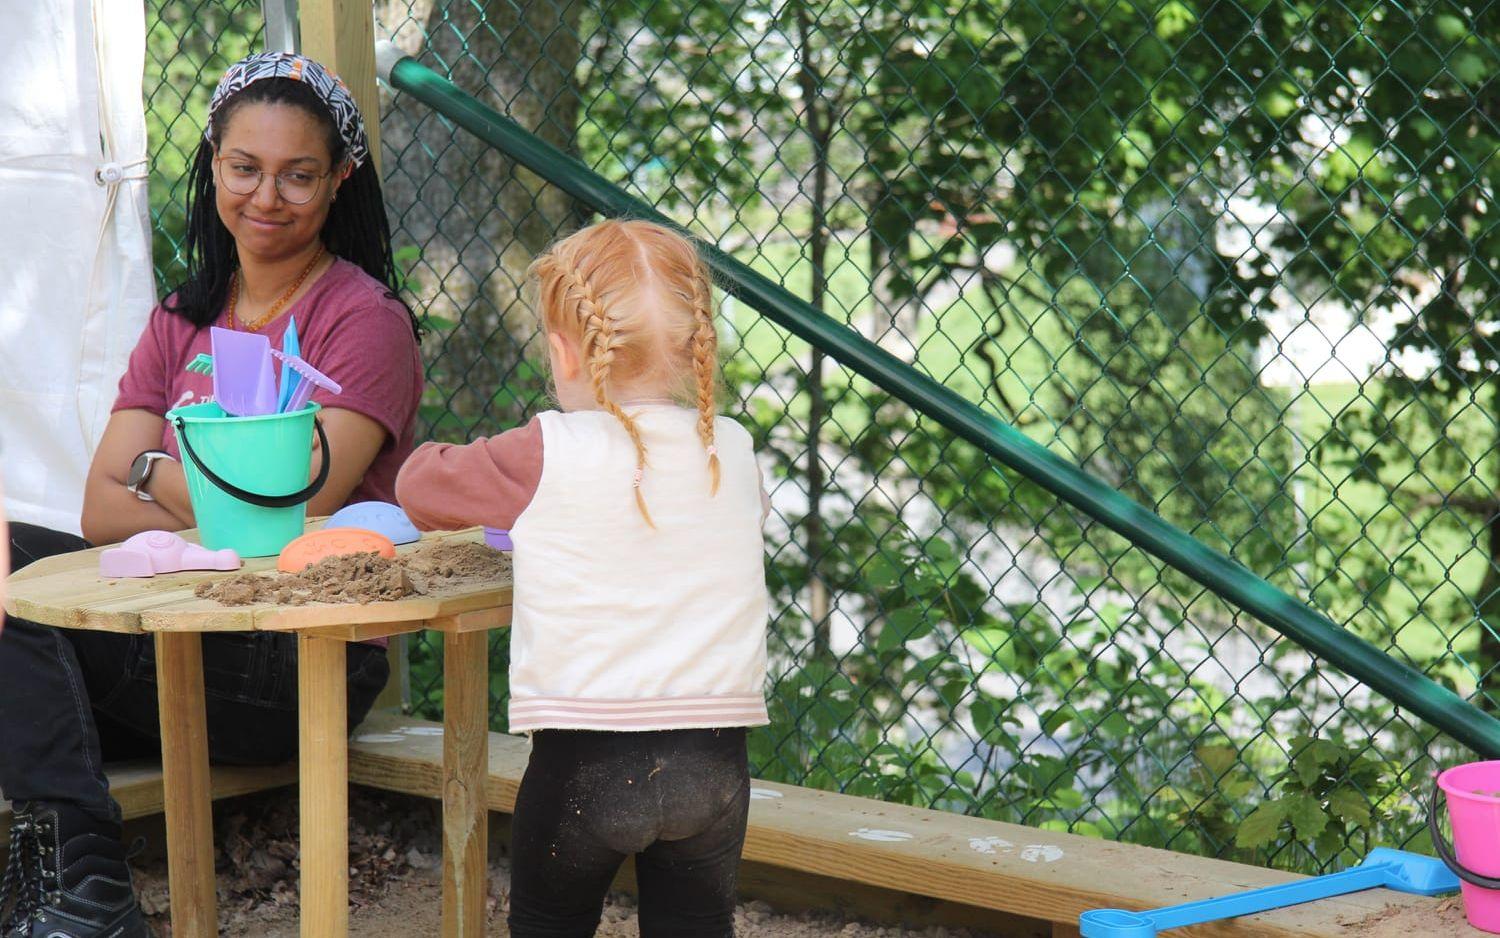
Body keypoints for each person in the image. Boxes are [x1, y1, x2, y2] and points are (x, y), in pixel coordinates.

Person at [0, 52, 423, 938]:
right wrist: (206, 491)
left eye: (298, 175)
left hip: (298, 656)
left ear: (339, 179)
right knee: (9, 556)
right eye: (245, 168)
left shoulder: (366, 323)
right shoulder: (183, 316)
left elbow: (294, 514)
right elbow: (96, 509)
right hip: (173, 632)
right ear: (213, 164)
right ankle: (60, 880)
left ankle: (86, 891)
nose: (266, 197)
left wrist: (155, 468)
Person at [396, 219, 770, 938]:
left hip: (585, 767)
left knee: (548, 924)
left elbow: (420, 486)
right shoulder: (735, 448)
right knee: (696, 926)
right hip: (715, 763)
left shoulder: (547, 451)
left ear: (565, 352)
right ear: (698, 350)